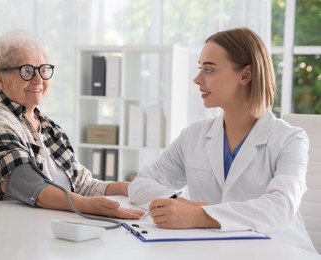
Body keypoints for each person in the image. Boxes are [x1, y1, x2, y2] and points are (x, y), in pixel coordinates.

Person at [128, 27, 317, 253]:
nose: (197, 79)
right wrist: (178, 202)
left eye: (209, 70)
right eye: (200, 68)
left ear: (245, 75)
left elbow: (280, 208)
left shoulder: (290, 139)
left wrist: (200, 215)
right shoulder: (193, 135)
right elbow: (140, 184)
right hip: (218, 251)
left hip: (281, 252)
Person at [0, 29, 144, 220]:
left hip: (43, 233)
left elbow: (81, 185)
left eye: (43, 70)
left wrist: (122, 188)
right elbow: (27, 183)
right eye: (27, 71)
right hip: (2, 240)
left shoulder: (49, 128)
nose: (39, 79)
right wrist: (86, 206)